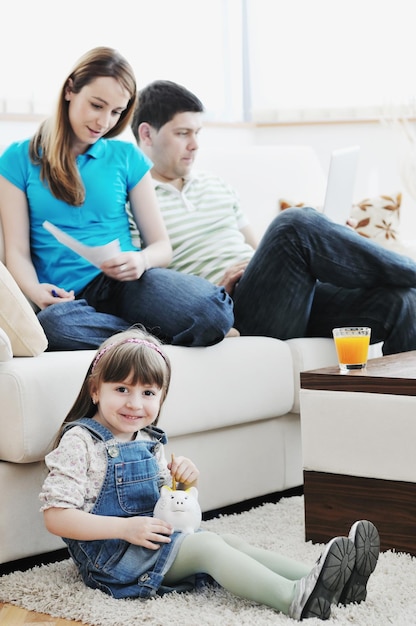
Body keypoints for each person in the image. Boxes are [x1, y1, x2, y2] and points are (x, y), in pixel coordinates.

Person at [39, 327, 380, 620]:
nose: (135, 404)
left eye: (148, 393)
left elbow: (161, 503)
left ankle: (322, 582)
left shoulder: (148, 440)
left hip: (153, 540)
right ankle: (292, 598)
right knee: (206, 549)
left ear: (162, 397)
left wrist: (184, 486)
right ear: (95, 390)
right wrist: (125, 528)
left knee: (224, 541)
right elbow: (57, 517)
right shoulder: (81, 441)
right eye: (122, 390)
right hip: (113, 560)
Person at [130, 80, 416, 355]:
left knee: (403, 301)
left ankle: (397, 403)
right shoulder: (132, 201)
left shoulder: (215, 185)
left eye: (197, 133)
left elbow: (259, 251)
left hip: (274, 299)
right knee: (293, 224)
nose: (195, 144)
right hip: (225, 310)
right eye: (183, 133)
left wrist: (326, 233)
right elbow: (143, 287)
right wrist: (210, 290)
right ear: (147, 134)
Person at [0, 50, 234, 351]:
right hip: (70, 299)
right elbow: (17, 251)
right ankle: (151, 342)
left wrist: (141, 260)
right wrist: (34, 290)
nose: (104, 121)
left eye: (116, 112)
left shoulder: (126, 157)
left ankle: (133, 343)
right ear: (70, 90)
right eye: (97, 105)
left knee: (213, 312)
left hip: (129, 283)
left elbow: (162, 246)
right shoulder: (18, 158)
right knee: (54, 327)